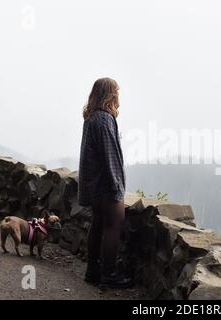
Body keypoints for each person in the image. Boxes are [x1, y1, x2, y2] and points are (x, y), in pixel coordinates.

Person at [78, 77, 132, 288]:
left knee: (98, 224)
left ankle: (92, 271)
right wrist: (117, 187)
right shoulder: (104, 119)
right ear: (110, 94)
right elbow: (110, 157)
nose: (119, 96)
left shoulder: (92, 118)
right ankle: (109, 275)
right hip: (105, 185)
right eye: (116, 92)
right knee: (113, 226)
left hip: (93, 184)